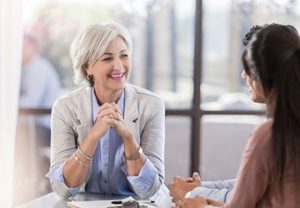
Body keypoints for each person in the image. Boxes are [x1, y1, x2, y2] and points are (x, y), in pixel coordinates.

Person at [174, 23, 300, 207]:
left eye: (247, 68)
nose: (243, 76)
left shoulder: (271, 134)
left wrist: (196, 200)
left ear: (261, 74)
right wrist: (201, 191)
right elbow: (251, 185)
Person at [46, 23, 167, 203]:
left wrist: (128, 137)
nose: (119, 66)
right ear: (87, 66)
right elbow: (63, 190)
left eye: (124, 56)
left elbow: (149, 190)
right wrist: (92, 137)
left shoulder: (151, 105)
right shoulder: (65, 108)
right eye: (107, 58)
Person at [169, 25, 264, 205]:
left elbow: (244, 198)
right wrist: (199, 188)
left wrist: (193, 193)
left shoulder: (272, 131)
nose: (244, 75)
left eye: (250, 66)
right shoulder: (274, 119)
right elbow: (247, 184)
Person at [20, 34, 61, 145]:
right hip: (34, 125)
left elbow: (30, 103)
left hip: (44, 128)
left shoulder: (39, 69)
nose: (20, 49)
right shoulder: (26, 68)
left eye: (24, 46)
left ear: (33, 48)